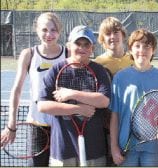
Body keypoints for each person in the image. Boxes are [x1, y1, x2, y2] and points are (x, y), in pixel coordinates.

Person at [37, 25, 111, 166]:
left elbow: (104, 101)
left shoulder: (99, 70)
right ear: (69, 45)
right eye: (77, 43)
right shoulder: (56, 70)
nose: (81, 48)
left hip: (94, 151)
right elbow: (42, 105)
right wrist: (77, 109)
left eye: (86, 44)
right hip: (63, 150)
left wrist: (71, 94)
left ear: (92, 49)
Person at [0, 12, 67, 166]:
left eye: (53, 30)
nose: (49, 34)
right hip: (37, 125)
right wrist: (11, 124)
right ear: (36, 30)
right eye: (44, 29)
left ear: (60, 31)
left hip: (63, 124)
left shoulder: (68, 53)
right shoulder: (28, 54)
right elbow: (16, 90)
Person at [110, 28, 158, 166]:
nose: (142, 50)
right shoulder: (120, 78)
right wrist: (114, 148)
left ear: (153, 50)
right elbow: (115, 117)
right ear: (130, 49)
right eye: (137, 46)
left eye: (147, 46)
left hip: (153, 148)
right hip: (125, 146)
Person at [93, 17, 133, 166]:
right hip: (107, 125)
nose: (112, 37)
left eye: (116, 32)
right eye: (107, 33)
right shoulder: (97, 63)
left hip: (132, 124)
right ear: (102, 39)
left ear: (122, 34)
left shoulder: (134, 59)